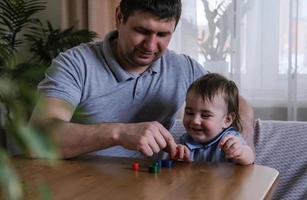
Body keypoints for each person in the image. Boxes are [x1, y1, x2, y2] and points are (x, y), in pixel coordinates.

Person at [29, 0, 254, 159]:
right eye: (141, 30)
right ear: (119, 17)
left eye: (163, 35)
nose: (150, 45)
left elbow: (240, 105)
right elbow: (37, 139)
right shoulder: (75, 64)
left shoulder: (183, 67)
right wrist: (119, 133)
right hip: (82, 186)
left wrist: (241, 147)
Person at [174, 73, 255, 165]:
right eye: (189, 113)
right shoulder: (185, 141)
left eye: (205, 115)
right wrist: (178, 157)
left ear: (227, 120)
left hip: (227, 180)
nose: (195, 121)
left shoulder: (229, 139)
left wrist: (240, 151)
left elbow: (250, 158)